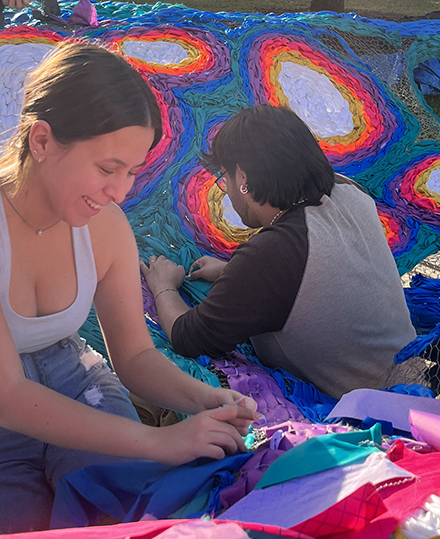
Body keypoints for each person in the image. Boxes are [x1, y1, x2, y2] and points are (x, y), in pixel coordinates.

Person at [0, 42, 257, 533]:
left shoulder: (105, 225)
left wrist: (203, 401)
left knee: (131, 536)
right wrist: (161, 441)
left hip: (77, 386)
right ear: (43, 141)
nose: (120, 192)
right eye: (108, 169)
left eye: (132, 172)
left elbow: (133, 358)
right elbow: (5, 397)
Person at [141, 104, 418, 400]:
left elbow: (188, 337)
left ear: (243, 178)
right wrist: (231, 271)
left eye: (224, 179)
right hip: (415, 377)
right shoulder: (349, 191)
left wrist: (163, 286)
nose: (227, 191)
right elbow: (322, 276)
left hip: (375, 414)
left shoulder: (272, 254)